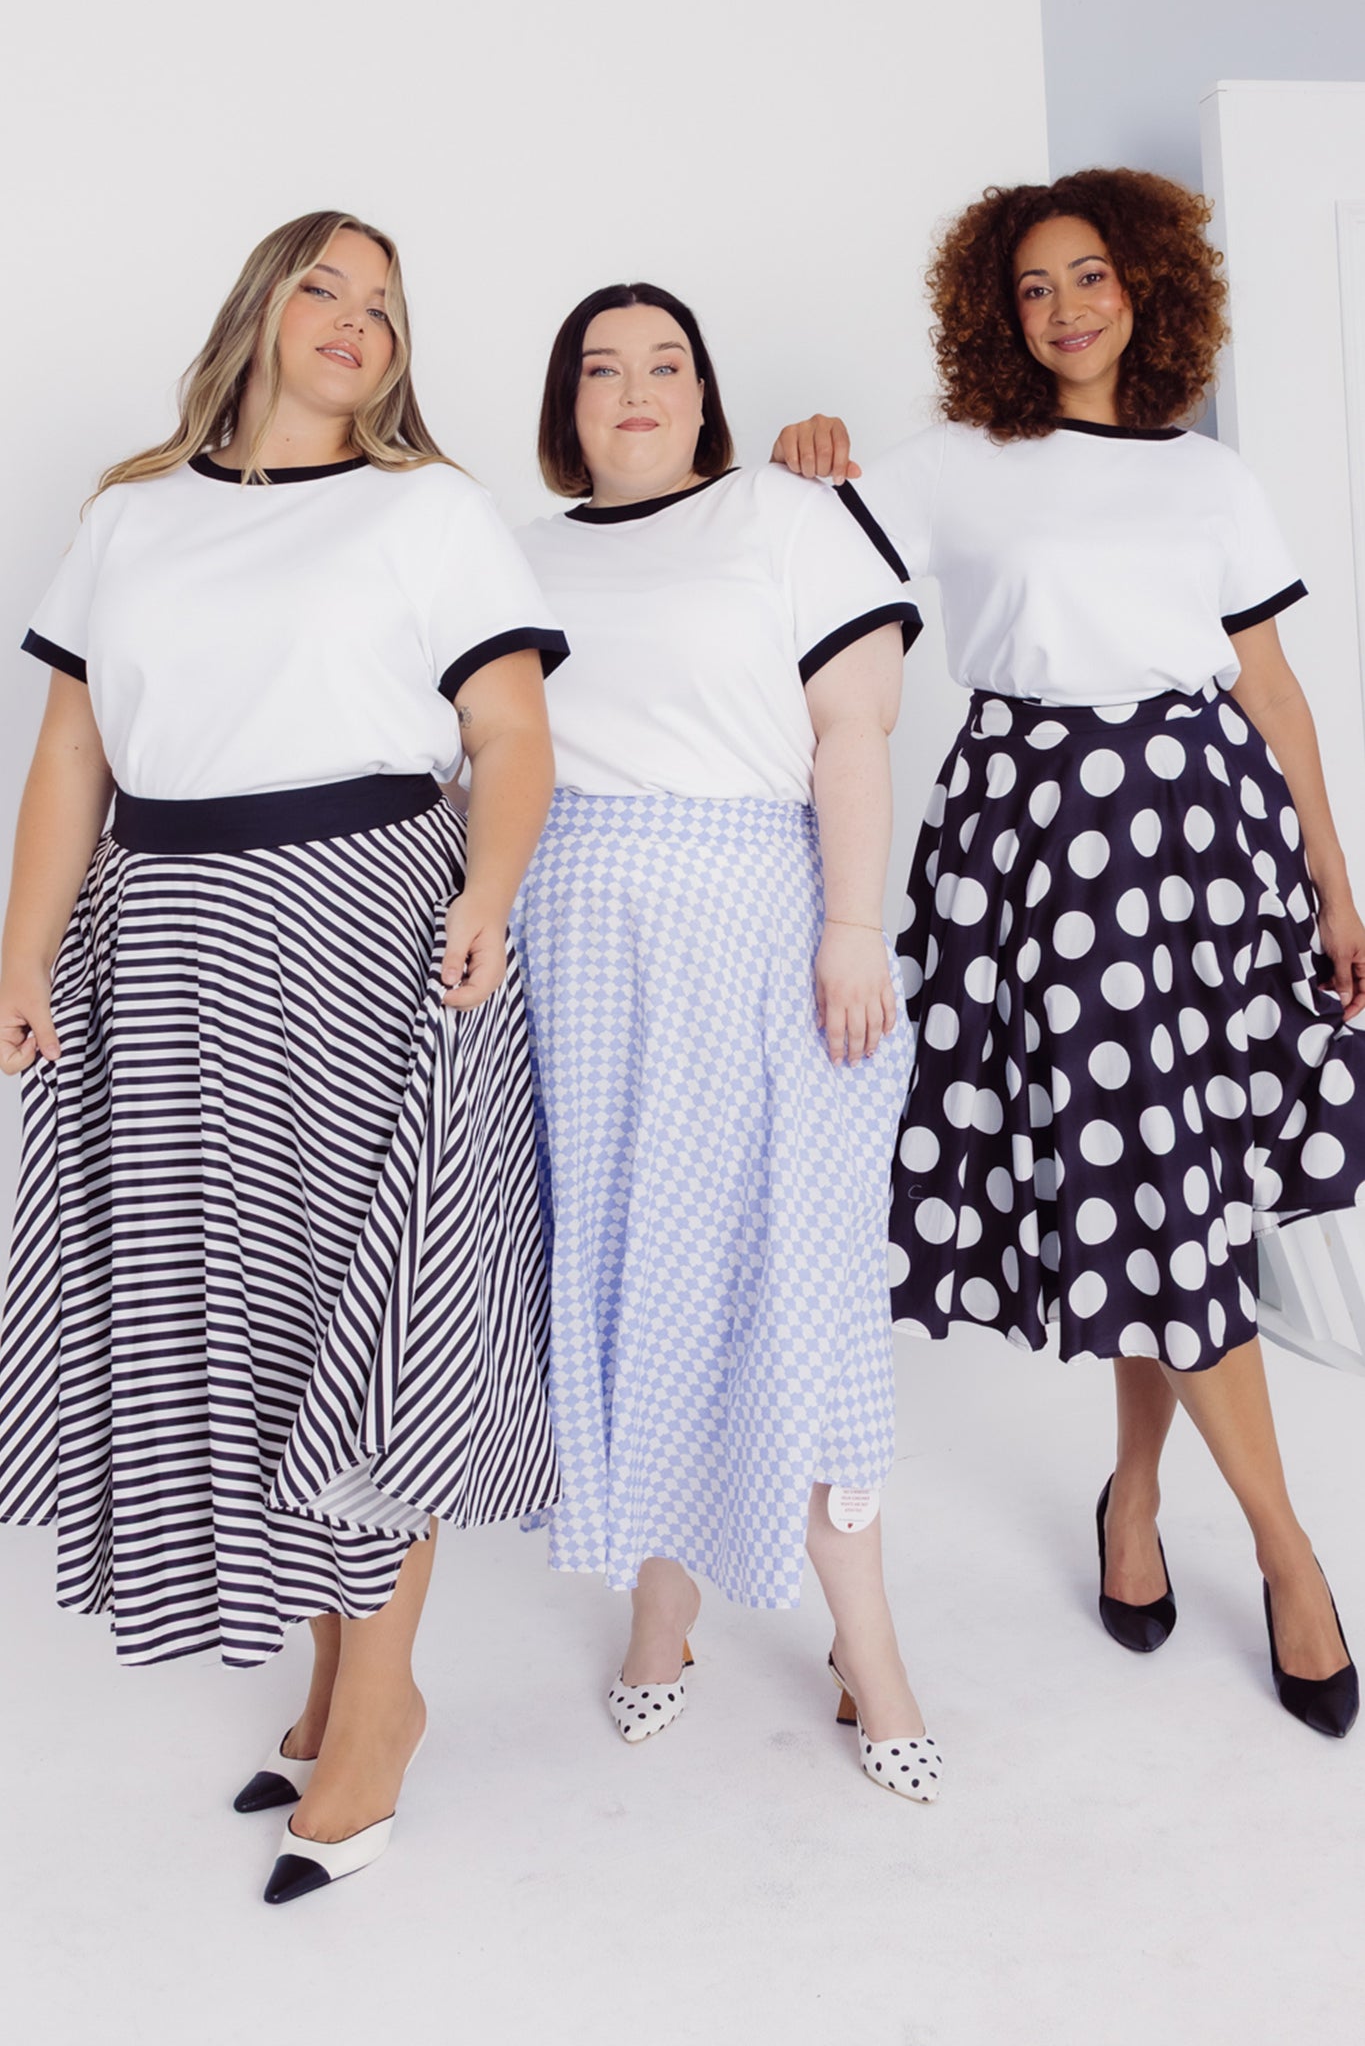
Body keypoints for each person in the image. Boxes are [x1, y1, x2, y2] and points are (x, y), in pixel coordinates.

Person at [0, 209, 569, 1902]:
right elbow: (75, 751)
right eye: (324, 285)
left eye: (384, 305)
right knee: (238, 1319)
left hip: (368, 929)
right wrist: (24, 949)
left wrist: (488, 886)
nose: (354, 319)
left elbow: (515, 729)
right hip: (167, 940)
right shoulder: (130, 515)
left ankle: (382, 1696)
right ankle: (331, 1674)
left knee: (375, 1318)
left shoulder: (429, 509)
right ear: (259, 309)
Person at [774, 167, 1360, 1738]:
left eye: (1089, 275)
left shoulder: (1207, 480)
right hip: (1036, 855)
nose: (1064, 308)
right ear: (994, 313)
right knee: (1146, 1197)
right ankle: (1284, 1553)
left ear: (1146, 287)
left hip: (1201, 848)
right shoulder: (956, 465)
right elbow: (796, 554)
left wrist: (1331, 873)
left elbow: (1274, 688)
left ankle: (1140, 1500)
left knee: (1161, 1196)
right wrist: (799, 457)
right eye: (1030, 287)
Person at [512, 281, 942, 1801]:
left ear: (704, 394)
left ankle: (866, 1643)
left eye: (667, 364)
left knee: (795, 1273)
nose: (636, 388)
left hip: (761, 934)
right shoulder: (515, 550)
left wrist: (848, 926)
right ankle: (664, 1603)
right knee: (633, 1272)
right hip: (577, 951)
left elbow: (849, 729)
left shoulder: (782, 511)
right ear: (567, 404)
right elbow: (482, 766)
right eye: (603, 368)